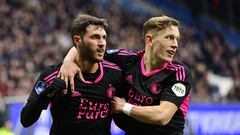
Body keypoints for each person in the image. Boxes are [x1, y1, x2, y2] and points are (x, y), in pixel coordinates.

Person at [59, 15, 192, 135]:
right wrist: (68, 60)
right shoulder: (127, 60)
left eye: (177, 39)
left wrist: (124, 107)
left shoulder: (178, 72)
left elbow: (162, 116)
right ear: (149, 39)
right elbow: (88, 50)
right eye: (169, 38)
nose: (175, 45)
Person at [20, 14, 123, 135]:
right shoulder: (53, 75)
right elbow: (25, 120)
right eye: (95, 37)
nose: (102, 43)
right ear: (77, 40)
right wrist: (47, 94)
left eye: (104, 37)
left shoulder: (115, 73)